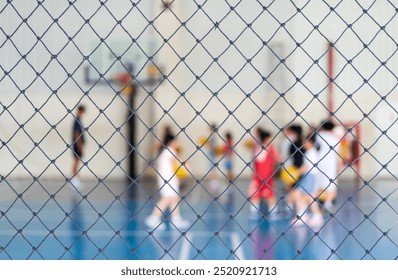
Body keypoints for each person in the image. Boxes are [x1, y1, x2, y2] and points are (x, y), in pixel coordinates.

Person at [145, 132, 189, 230]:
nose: (177, 143)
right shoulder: (171, 151)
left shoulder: (165, 151)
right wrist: (187, 168)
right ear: (172, 142)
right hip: (167, 180)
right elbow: (177, 163)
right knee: (167, 198)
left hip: (169, 179)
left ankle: (176, 219)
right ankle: (153, 218)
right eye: (176, 141)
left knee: (174, 198)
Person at [291, 133, 324, 227]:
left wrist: (295, 172)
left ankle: (315, 216)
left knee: (308, 196)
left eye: (304, 141)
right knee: (300, 195)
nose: (303, 143)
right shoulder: (310, 152)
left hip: (310, 176)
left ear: (310, 142)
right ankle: (303, 215)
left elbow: (307, 167)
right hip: (307, 176)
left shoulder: (311, 152)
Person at [248, 129, 281, 220]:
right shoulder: (271, 148)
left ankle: (253, 212)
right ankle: (273, 212)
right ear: (266, 139)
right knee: (270, 195)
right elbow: (278, 160)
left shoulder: (256, 148)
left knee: (256, 194)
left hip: (257, 176)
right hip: (268, 176)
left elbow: (254, 160)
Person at [316, 120, 340, 213]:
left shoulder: (318, 135)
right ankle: (328, 203)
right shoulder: (335, 138)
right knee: (330, 185)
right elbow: (338, 154)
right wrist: (339, 166)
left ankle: (316, 203)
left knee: (318, 184)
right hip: (331, 164)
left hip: (318, 163)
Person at [71, 105, 86, 190]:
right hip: (77, 145)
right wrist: (80, 146)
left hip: (77, 145)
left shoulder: (78, 120)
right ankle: (74, 181)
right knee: (76, 162)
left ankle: (75, 180)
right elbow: (76, 134)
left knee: (76, 162)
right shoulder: (77, 120)